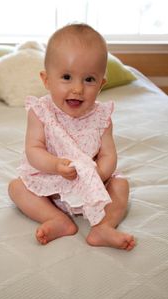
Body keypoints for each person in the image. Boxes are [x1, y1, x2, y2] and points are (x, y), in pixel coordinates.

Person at [8, 23, 135, 251]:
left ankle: (103, 227)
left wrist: (100, 174)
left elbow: (108, 153)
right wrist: (56, 165)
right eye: (66, 77)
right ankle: (56, 218)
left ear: (101, 84)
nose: (77, 88)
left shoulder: (102, 116)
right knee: (17, 188)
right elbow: (33, 149)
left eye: (89, 80)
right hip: (52, 184)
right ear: (46, 80)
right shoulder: (41, 112)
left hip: (93, 184)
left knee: (122, 185)